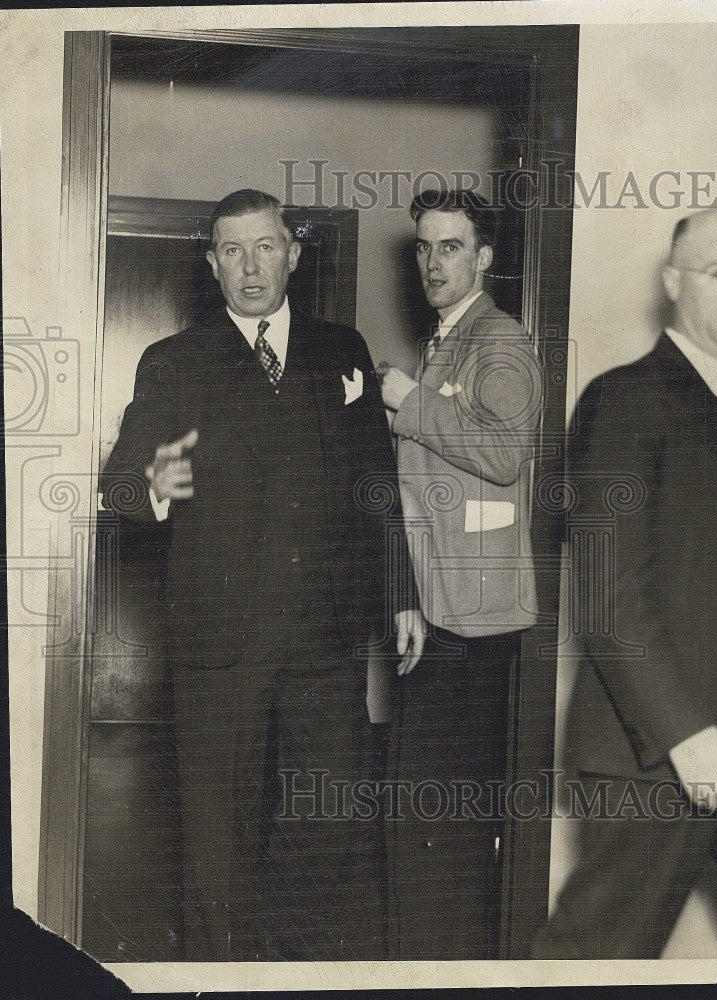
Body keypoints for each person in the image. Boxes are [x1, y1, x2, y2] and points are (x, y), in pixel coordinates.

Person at [101, 189, 423, 962]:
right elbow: (120, 485)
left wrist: (402, 595)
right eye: (233, 251)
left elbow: (375, 484)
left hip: (325, 640)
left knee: (328, 819)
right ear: (212, 265)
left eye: (266, 247)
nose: (251, 266)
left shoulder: (340, 349)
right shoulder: (173, 361)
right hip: (220, 645)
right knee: (217, 834)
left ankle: (293, 964)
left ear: (294, 254)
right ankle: (219, 972)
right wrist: (157, 486)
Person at [532, 208, 717, 959]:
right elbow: (611, 599)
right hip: (658, 759)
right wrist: (689, 737)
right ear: (673, 282)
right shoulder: (626, 400)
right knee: (593, 958)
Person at [378, 188, 542, 959]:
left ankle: (442, 963)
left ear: (483, 258)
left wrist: (409, 403)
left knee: (444, 819)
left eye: (451, 247)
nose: (433, 262)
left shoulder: (499, 339)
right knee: (424, 815)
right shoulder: (447, 339)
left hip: (476, 624)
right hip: (440, 611)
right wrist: (406, 597)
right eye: (424, 247)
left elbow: (505, 454)